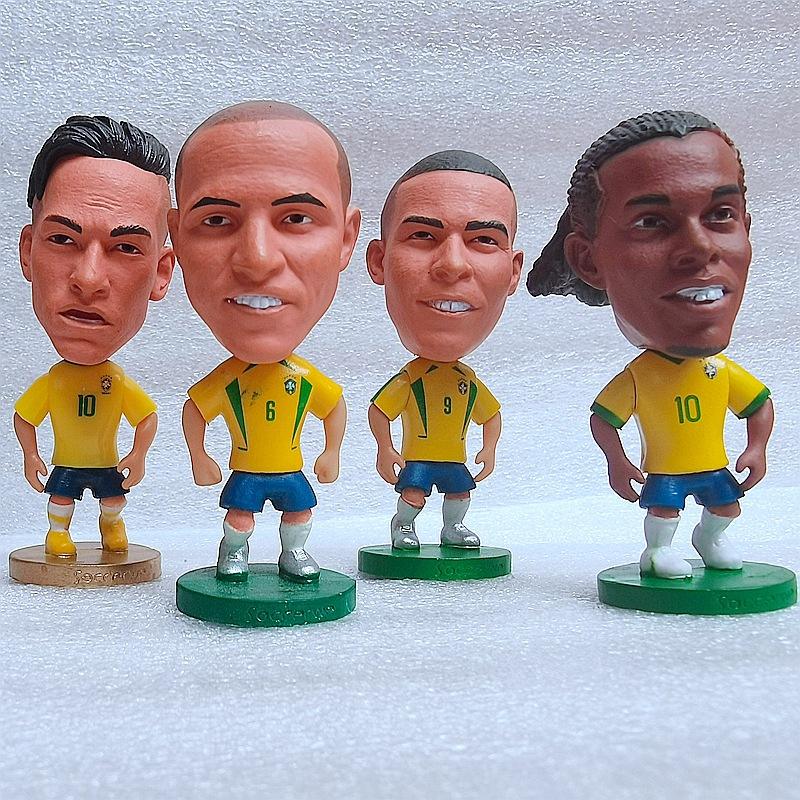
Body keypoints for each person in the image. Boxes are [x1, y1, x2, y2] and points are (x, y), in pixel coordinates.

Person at [527, 110, 773, 579]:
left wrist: (757, 447)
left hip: (714, 467)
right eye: (652, 222)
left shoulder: (721, 372)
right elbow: (605, 419)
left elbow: (758, 405)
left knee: (727, 506)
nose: (701, 248)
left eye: (721, 214)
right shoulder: (641, 378)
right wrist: (617, 461)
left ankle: (709, 538)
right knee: (664, 513)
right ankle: (659, 552)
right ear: (588, 260)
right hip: (664, 473)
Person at [169, 101, 360, 583]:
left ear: (347, 238)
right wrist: (200, 456)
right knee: (240, 517)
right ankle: (233, 554)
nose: (256, 260)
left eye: (296, 218)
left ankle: (293, 554)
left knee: (299, 513)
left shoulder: (304, 378)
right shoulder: (228, 380)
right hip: (247, 469)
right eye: (216, 220)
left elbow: (333, 406)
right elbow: (195, 410)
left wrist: (331, 452)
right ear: (176, 238)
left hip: (290, 467)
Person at [14, 115, 175, 556]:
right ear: (28, 252)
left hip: (106, 466)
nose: (88, 280)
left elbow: (146, 417)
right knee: (62, 502)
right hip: (65, 465)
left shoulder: (117, 383)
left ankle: (110, 530)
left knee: (112, 502)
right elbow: (25, 417)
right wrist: (31, 455)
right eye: (63, 239)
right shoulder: (54, 383)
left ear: (161, 272)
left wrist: (137, 455)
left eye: (126, 248)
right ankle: (59, 534)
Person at [367, 150, 523, 549]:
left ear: (514, 271)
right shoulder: (410, 380)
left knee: (460, 493)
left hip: (454, 457)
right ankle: (404, 526)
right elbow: (380, 410)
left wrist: (489, 448)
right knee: (413, 494)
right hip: (418, 457)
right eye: (423, 235)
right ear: (379, 261)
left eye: (484, 240)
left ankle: (453, 527)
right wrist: (386, 448)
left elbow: (490, 414)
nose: (452, 265)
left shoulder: (466, 381)